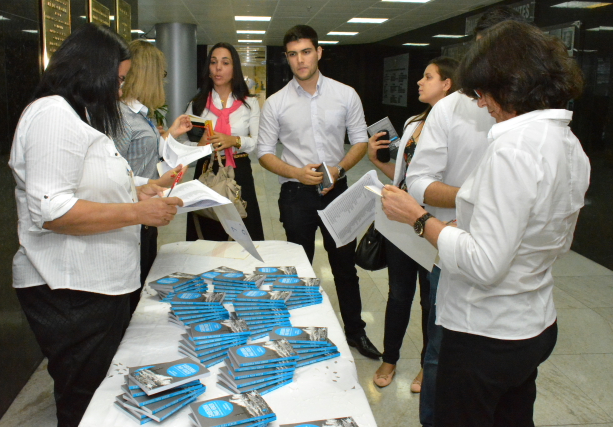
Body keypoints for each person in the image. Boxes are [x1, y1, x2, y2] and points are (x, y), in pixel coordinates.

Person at [383, 20, 589, 426]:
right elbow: (552, 238)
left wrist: (419, 219)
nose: (480, 104)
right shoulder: (568, 143)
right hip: (534, 321)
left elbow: (484, 264)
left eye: (484, 92)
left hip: (486, 333)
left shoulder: (512, 149)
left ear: (512, 84)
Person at [8, 24, 183, 427]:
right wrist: (137, 213)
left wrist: (139, 189)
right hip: (69, 290)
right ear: (91, 71)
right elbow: (53, 210)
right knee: (84, 403)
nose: (120, 91)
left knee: (102, 397)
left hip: (96, 287)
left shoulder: (76, 113)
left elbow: (87, 182)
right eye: (117, 80)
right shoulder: (52, 115)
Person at [405, 8, 526, 425]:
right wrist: (479, 199)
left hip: (517, 274)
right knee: (441, 353)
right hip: (452, 251)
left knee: (507, 377)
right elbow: (419, 182)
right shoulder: (451, 109)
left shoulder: (536, 116)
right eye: (482, 53)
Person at [257, 25, 381, 359]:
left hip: (337, 190)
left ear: (319, 52)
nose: (300, 60)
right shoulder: (276, 103)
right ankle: (297, 335)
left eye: (306, 52)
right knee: (298, 269)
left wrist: (339, 168)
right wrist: (296, 172)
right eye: (293, 54)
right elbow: (264, 152)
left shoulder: (345, 94)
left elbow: (359, 140)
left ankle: (355, 332)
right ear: (287, 58)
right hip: (295, 193)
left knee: (344, 266)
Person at [367, 57, 459, 388]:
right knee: (398, 295)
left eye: (428, 77)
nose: (419, 82)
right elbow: (406, 176)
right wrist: (376, 161)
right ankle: (389, 359)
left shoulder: (458, 126)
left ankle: (426, 365)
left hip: (433, 223)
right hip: (401, 224)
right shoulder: (413, 123)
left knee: (431, 299)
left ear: (447, 83)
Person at [114, 39, 192, 314]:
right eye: (162, 73)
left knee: (144, 282)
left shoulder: (139, 112)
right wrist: (152, 184)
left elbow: (145, 153)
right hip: (131, 216)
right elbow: (115, 171)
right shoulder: (122, 118)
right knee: (132, 293)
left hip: (145, 212)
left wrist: (170, 134)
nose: (164, 80)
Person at [185, 42, 264, 241]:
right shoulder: (196, 105)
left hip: (239, 169)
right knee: (208, 228)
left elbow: (256, 142)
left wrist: (234, 140)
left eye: (225, 62)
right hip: (206, 170)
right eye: (213, 62)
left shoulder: (249, 103)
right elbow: (182, 145)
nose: (218, 68)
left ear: (234, 68)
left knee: (242, 230)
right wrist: (200, 146)